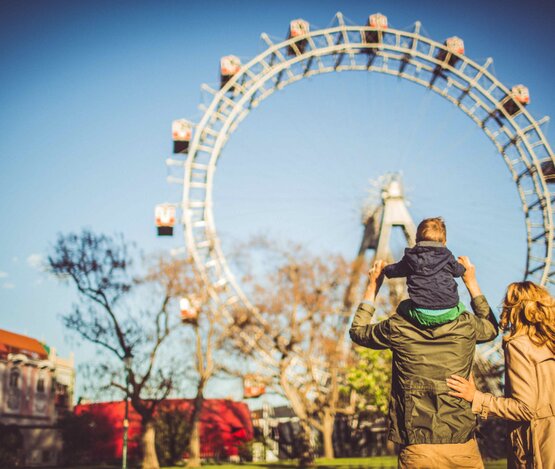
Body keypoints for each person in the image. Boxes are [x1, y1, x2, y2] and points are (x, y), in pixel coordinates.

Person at [349, 257, 498, 469]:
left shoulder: (398, 326)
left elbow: (358, 331)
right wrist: (472, 283)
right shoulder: (466, 325)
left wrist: (374, 285)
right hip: (461, 443)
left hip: (416, 447)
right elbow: (491, 328)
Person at [447, 281, 555, 469]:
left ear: (513, 308)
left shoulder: (519, 345)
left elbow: (525, 408)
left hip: (539, 445)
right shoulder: (550, 343)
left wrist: (477, 398)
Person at [384, 217, 466, 327]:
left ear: (416, 240)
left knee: (402, 306)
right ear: (444, 242)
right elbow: (458, 272)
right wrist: (463, 265)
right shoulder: (448, 257)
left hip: (421, 314)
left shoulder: (410, 258)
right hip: (449, 312)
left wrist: (385, 268)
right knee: (460, 306)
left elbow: (394, 270)